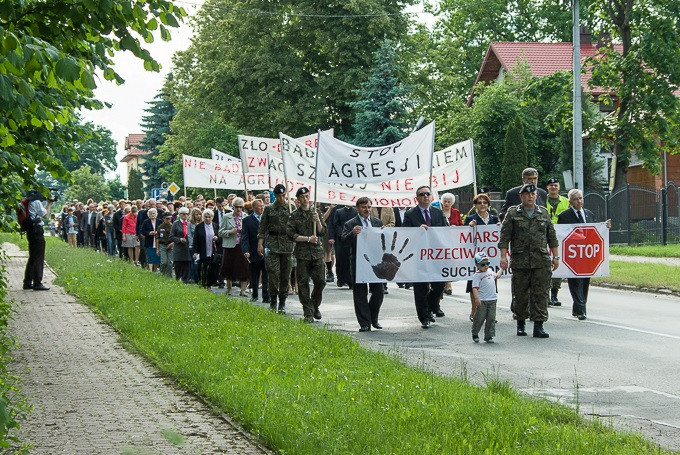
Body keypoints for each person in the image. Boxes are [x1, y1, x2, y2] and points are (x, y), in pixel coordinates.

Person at [499, 183, 559, 338]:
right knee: (520, 294)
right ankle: (520, 323)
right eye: (527, 194)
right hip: (521, 260)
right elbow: (505, 237)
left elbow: (551, 237)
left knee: (541, 294)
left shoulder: (543, 213)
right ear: (521, 196)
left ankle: (539, 325)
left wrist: (556, 257)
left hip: (541, 260)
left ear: (536, 196)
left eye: (533, 195)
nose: (531, 197)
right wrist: (503, 256)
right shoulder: (513, 213)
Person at [557, 189, 611, 320]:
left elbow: (595, 231)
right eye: (576, 199)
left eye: (580, 198)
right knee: (575, 281)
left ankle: (578, 308)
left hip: (586, 256)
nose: (579, 201)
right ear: (570, 202)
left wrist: (605, 226)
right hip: (573, 255)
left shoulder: (589, 214)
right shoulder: (564, 216)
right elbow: (561, 234)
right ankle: (581, 310)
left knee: (585, 281)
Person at [402, 186, 449, 329]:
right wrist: (417, 230)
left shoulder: (437, 213)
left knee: (439, 284)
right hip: (419, 256)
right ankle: (424, 317)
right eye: (422, 194)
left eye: (427, 194)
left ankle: (429, 308)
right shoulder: (410, 214)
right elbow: (404, 232)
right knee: (421, 287)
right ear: (417, 198)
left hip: (436, 255)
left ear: (431, 197)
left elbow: (445, 230)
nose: (425, 196)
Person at [341, 197, 384, 332]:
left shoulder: (377, 222)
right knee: (360, 292)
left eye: (369, 207)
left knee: (379, 291)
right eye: (364, 207)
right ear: (358, 208)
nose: (367, 210)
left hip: (376, 262)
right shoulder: (350, 223)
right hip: (358, 261)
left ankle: (373, 317)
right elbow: (343, 241)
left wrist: (384, 233)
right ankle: (364, 322)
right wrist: (352, 234)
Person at [286, 187, 327, 323]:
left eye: (307, 196)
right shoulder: (294, 215)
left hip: (317, 253)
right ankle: (308, 312)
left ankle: (314, 305)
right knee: (303, 283)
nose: (305, 198)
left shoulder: (316, 212)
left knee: (320, 281)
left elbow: (322, 232)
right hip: (303, 253)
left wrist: (318, 221)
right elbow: (291, 235)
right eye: (302, 196)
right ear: (298, 199)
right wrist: (308, 238)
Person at [258, 184, 294, 313]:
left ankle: (282, 302)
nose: (281, 198)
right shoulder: (269, 209)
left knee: (285, 275)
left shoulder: (291, 207)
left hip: (288, 244)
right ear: (275, 195)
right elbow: (263, 227)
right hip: (273, 244)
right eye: (278, 196)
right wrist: (260, 243)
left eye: (283, 196)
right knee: (273, 273)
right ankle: (273, 300)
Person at [464, 193, 500, 320]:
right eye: (479, 203)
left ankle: (489, 312)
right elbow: (463, 236)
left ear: (488, 205)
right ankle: (475, 310)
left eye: (484, 202)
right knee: (474, 284)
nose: (482, 205)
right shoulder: (470, 219)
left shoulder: (494, 219)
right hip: (475, 257)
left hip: (490, 258)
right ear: (475, 206)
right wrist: (469, 227)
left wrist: (498, 228)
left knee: (490, 284)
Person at [544, 177, 570, 307]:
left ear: (559, 187)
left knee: (558, 264)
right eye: (551, 185)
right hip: (544, 235)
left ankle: (554, 293)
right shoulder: (542, 200)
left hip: (560, 236)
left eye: (555, 185)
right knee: (546, 264)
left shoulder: (566, 201)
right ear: (547, 187)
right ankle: (547, 294)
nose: (553, 187)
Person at [218, 197, 250, 296]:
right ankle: (229, 288)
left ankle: (243, 290)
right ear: (233, 207)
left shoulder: (245, 216)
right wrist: (230, 232)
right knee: (229, 267)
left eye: (241, 207)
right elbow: (220, 232)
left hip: (242, 246)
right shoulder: (226, 217)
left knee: (244, 267)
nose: (239, 209)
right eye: (237, 207)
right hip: (230, 246)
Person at [22, 190, 53, 291]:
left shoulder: (28, 202)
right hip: (37, 231)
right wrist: (49, 203)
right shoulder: (36, 202)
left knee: (33, 257)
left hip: (30, 230)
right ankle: (37, 282)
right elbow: (45, 215)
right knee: (39, 257)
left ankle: (27, 282)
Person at [241, 199, 269, 303]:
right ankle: (255, 294)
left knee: (266, 275)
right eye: (259, 206)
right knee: (254, 274)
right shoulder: (247, 220)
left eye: (263, 206)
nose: (262, 208)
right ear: (253, 208)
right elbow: (244, 237)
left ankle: (266, 296)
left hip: (266, 250)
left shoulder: (267, 219)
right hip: (253, 251)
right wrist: (245, 250)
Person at [471, 252, 502, 343]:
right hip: (483, 300)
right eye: (483, 264)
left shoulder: (490, 271)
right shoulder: (477, 276)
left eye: (487, 264)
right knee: (480, 318)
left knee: (491, 318)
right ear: (477, 265)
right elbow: (475, 288)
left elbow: (497, 276)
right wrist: (477, 298)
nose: (486, 266)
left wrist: (502, 269)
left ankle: (489, 335)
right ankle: (475, 332)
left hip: (492, 299)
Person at [327, 204, 357, 288]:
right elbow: (333, 224)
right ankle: (341, 279)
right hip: (339, 238)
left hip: (351, 237)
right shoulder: (337, 209)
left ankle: (350, 280)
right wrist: (332, 237)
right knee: (340, 258)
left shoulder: (355, 211)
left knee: (349, 259)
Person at [192, 209, 220, 288]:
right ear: (203, 217)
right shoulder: (199, 227)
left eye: (209, 217)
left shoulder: (216, 226)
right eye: (206, 217)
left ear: (212, 217)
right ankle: (202, 283)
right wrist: (195, 252)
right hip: (203, 250)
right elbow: (195, 241)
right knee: (203, 268)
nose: (207, 219)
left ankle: (209, 285)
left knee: (212, 268)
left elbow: (221, 238)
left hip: (213, 251)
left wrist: (217, 238)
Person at [170, 207, 192, 283]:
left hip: (188, 248)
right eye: (183, 214)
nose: (185, 216)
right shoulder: (176, 223)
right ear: (179, 215)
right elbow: (171, 236)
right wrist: (179, 239)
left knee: (187, 265)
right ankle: (178, 279)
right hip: (179, 248)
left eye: (187, 214)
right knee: (178, 265)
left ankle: (185, 281)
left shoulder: (190, 223)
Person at [140, 208, 161, 272]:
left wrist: (158, 232)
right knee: (150, 255)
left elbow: (163, 230)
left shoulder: (160, 221)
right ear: (148, 215)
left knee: (157, 256)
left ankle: (155, 269)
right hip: (149, 241)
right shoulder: (146, 222)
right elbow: (142, 231)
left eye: (154, 213)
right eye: (151, 214)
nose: (152, 215)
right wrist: (149, 233)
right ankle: (150, 269)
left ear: (156, 214)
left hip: (158, 241)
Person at [157, 213, 174, 277]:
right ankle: (162, 274)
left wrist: (172, 243)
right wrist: (157, 249)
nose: (168, 220)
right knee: (164, 262)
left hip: (171, 245)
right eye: (167, 219)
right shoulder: (160, 227)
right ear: (163, 219)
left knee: (170, 262)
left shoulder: (173, 226)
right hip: (162, 245)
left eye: (169, 219)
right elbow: (158, 238)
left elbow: (176, 237)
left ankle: (169, 276)